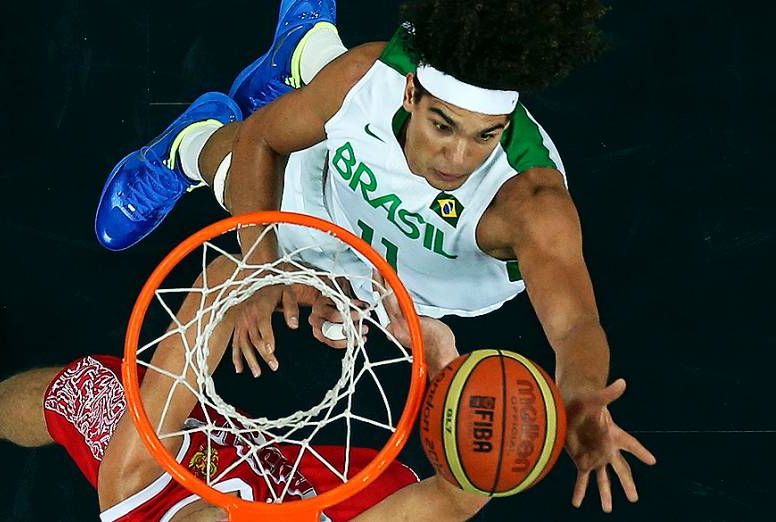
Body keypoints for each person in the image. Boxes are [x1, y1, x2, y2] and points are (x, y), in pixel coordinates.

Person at [93, 0, 655, 512]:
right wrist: (259, 269)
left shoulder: (531, 203)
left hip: (414, 285)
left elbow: (575, 324)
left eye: (485, 136)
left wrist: (580, 393)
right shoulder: (371, 79)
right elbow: (260, 142)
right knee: (231, 163)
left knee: (339, 323)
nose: (457, 158)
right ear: (411, 94)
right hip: (332, 207)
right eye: (442, 126)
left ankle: (305, 47)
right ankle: (187, 142)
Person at [0, 260, 494, 521]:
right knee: (400, 486)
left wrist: (258, 279)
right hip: (276, 477)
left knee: (82, 388)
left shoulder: (136, 483)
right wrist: (443, 361)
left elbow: (211, 289)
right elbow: (464, 492)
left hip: (165, 484)